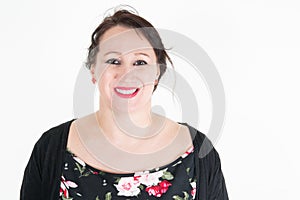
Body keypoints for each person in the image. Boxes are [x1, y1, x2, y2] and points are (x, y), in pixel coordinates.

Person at [20, 8, 229, 200]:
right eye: (113, 61)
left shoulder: (200, 152)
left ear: (157, 73)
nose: (127, 74)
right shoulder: (51, 148)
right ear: (93, 70)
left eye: (140, 62)